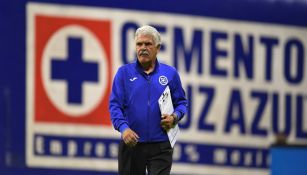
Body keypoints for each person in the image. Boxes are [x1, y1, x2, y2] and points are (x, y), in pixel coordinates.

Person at [109, 25, 188, 175]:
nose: (143, 48)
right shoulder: (124, 73)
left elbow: (182, 103)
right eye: (139, 44)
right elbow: (115, 106)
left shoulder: (170, 74)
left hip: (161, 145)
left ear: (157, 48)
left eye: (148, 44)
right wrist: (123, 128)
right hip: (132, 143)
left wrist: (174, 117)